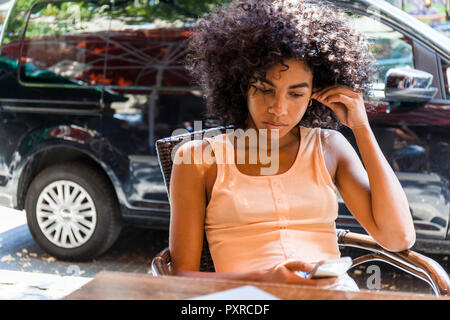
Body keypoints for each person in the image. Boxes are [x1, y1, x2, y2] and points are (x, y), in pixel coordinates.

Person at [168, 0, 416, 290]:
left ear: (315, 93)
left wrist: (361, 128)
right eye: (264, 89)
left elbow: (398, 237)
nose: (278, 108)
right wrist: (264, 280)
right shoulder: (199, 159)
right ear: (240, 84)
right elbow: (181, 279)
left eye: (296, 94)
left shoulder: (329, 148)